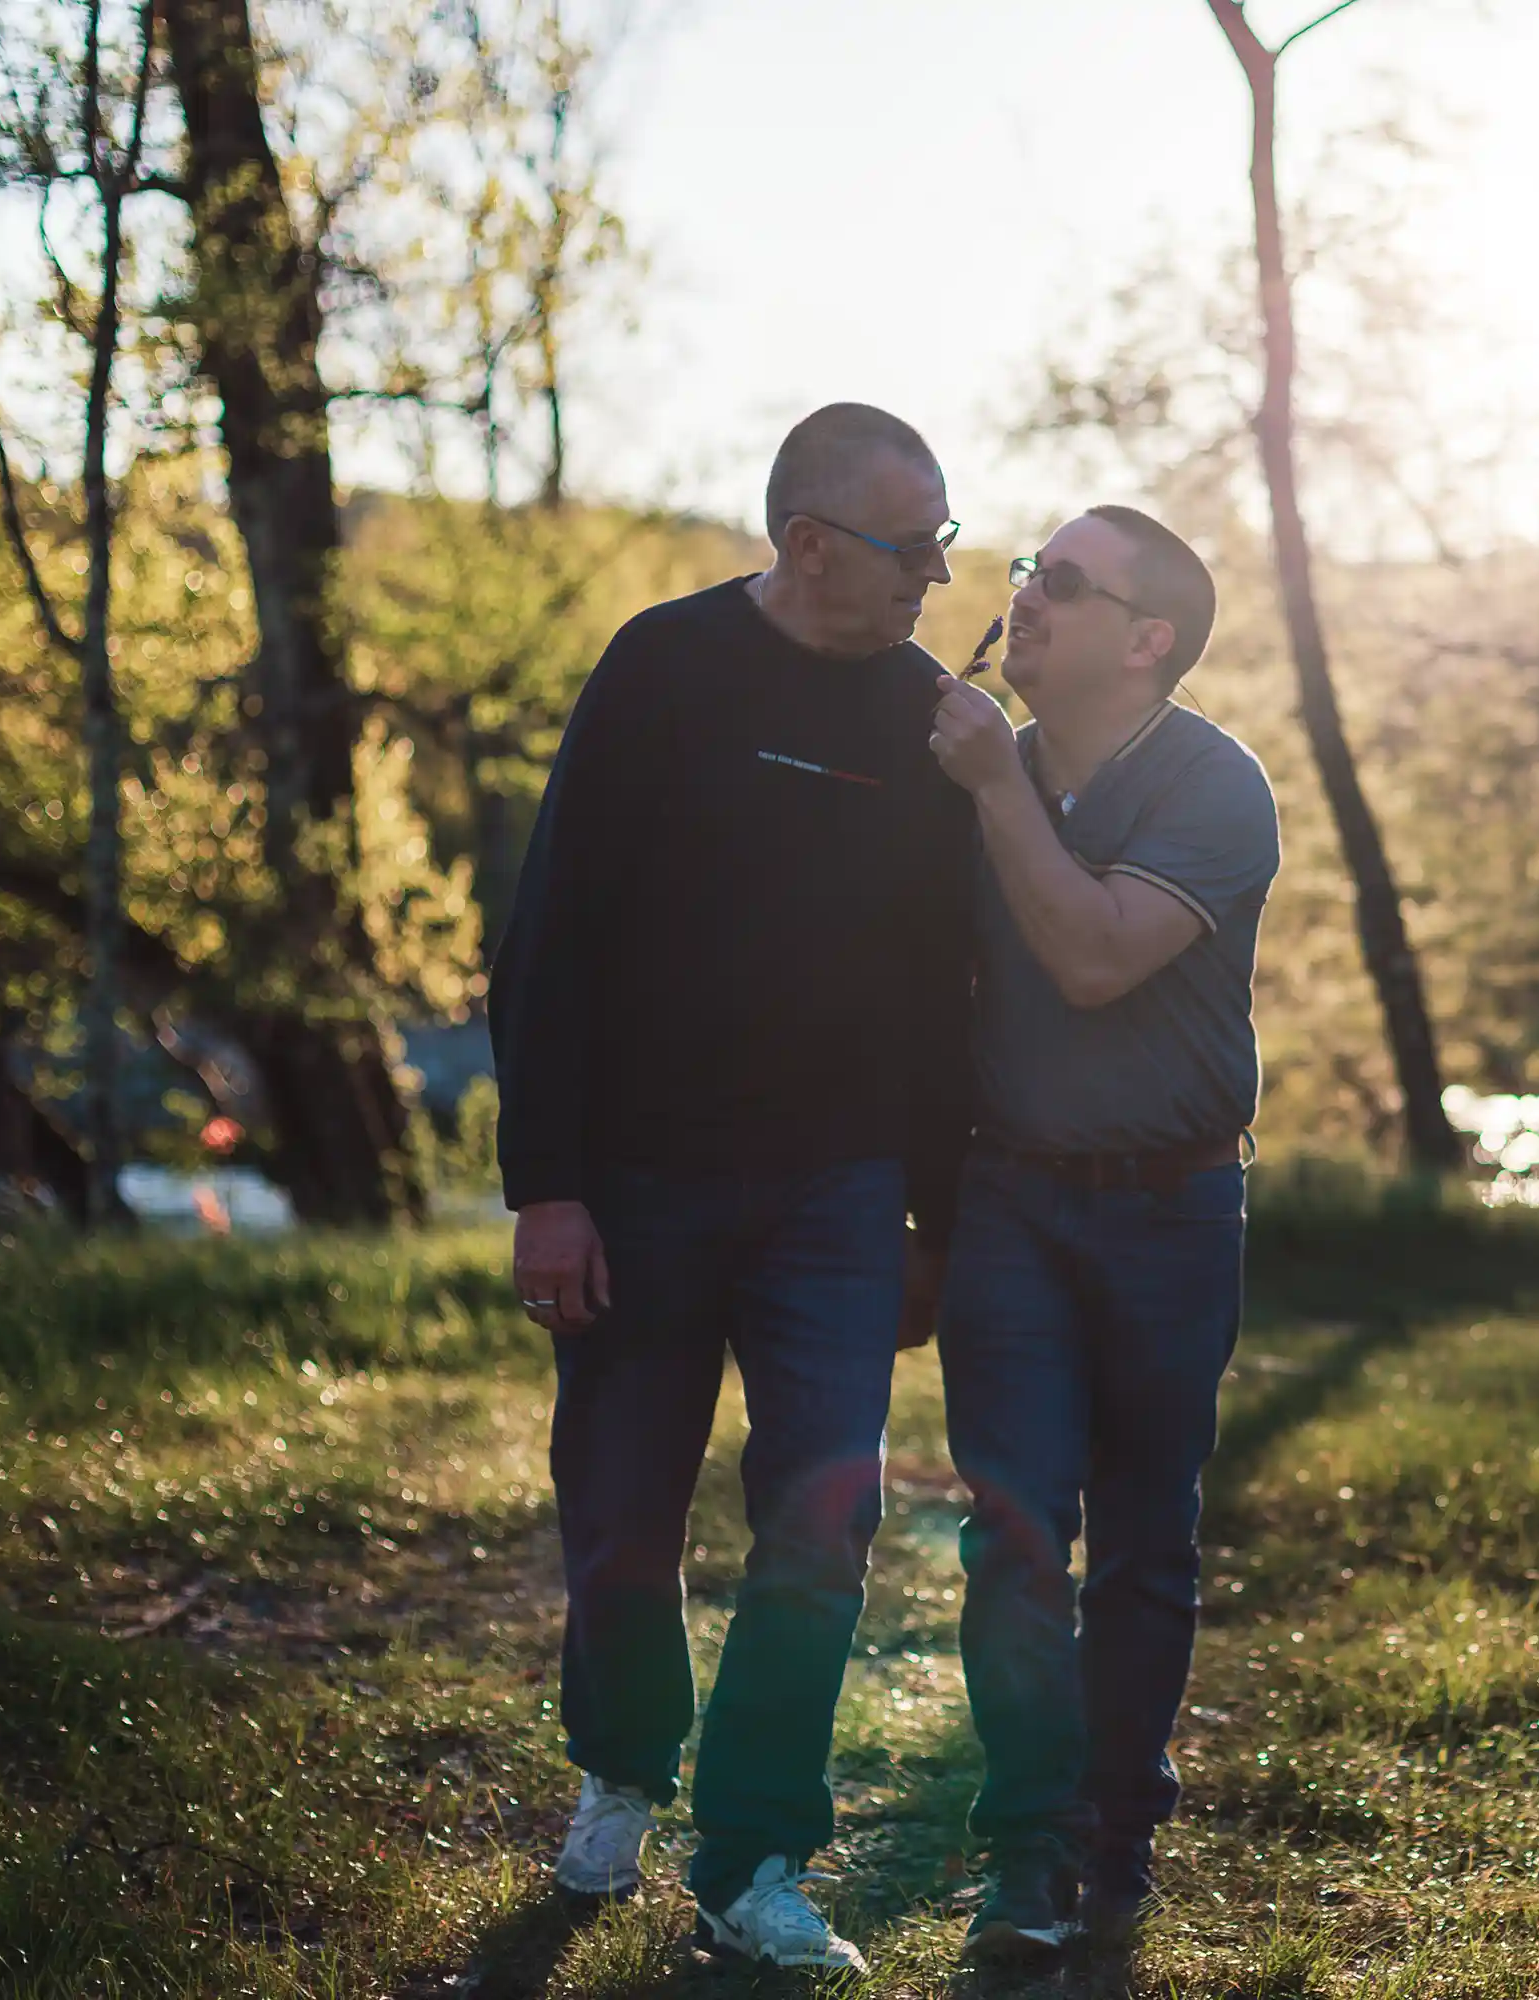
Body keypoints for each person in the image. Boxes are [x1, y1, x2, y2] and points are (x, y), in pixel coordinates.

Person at [489, 403, 973, 1972]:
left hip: (838, 1195)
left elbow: (941, 993)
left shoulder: (924, 715)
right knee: (619, 1509)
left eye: (950, 542)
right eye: (915, 548)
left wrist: (933, 1223)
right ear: (809, 542)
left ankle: (757, 1855)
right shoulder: (663, 667)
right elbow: (550, 934)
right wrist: (548, 1186)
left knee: (823, 1525)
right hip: (638, 1182)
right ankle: (623, 1771)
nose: (941, 577)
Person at [922, 506, 1279, 1963]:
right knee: (1012, 1539)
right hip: (1005, 1197)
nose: (1023, 599)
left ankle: (1114, 1837)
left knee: (1144, 1543)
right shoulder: (956, 774)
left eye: (1060, 584)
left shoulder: (1214, 786)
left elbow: (1087, 959)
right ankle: (1026, 1851)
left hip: (1173, 1207)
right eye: (1023, 573)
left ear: (1147, 642)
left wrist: (995, 786)